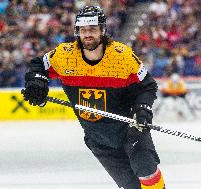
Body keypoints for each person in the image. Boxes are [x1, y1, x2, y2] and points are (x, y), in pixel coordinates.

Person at [22, 5, 165, 189]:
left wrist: (143, 109)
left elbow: (147, 86)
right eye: (83, 30)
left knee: (146, 170)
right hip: (99, 139)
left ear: (102, 30)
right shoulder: (65, 56)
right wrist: (37, 81)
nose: (87, 34)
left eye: (93, 29)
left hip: (131, 129)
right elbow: (38, 65)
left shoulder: (122, 57)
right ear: (77, 31)